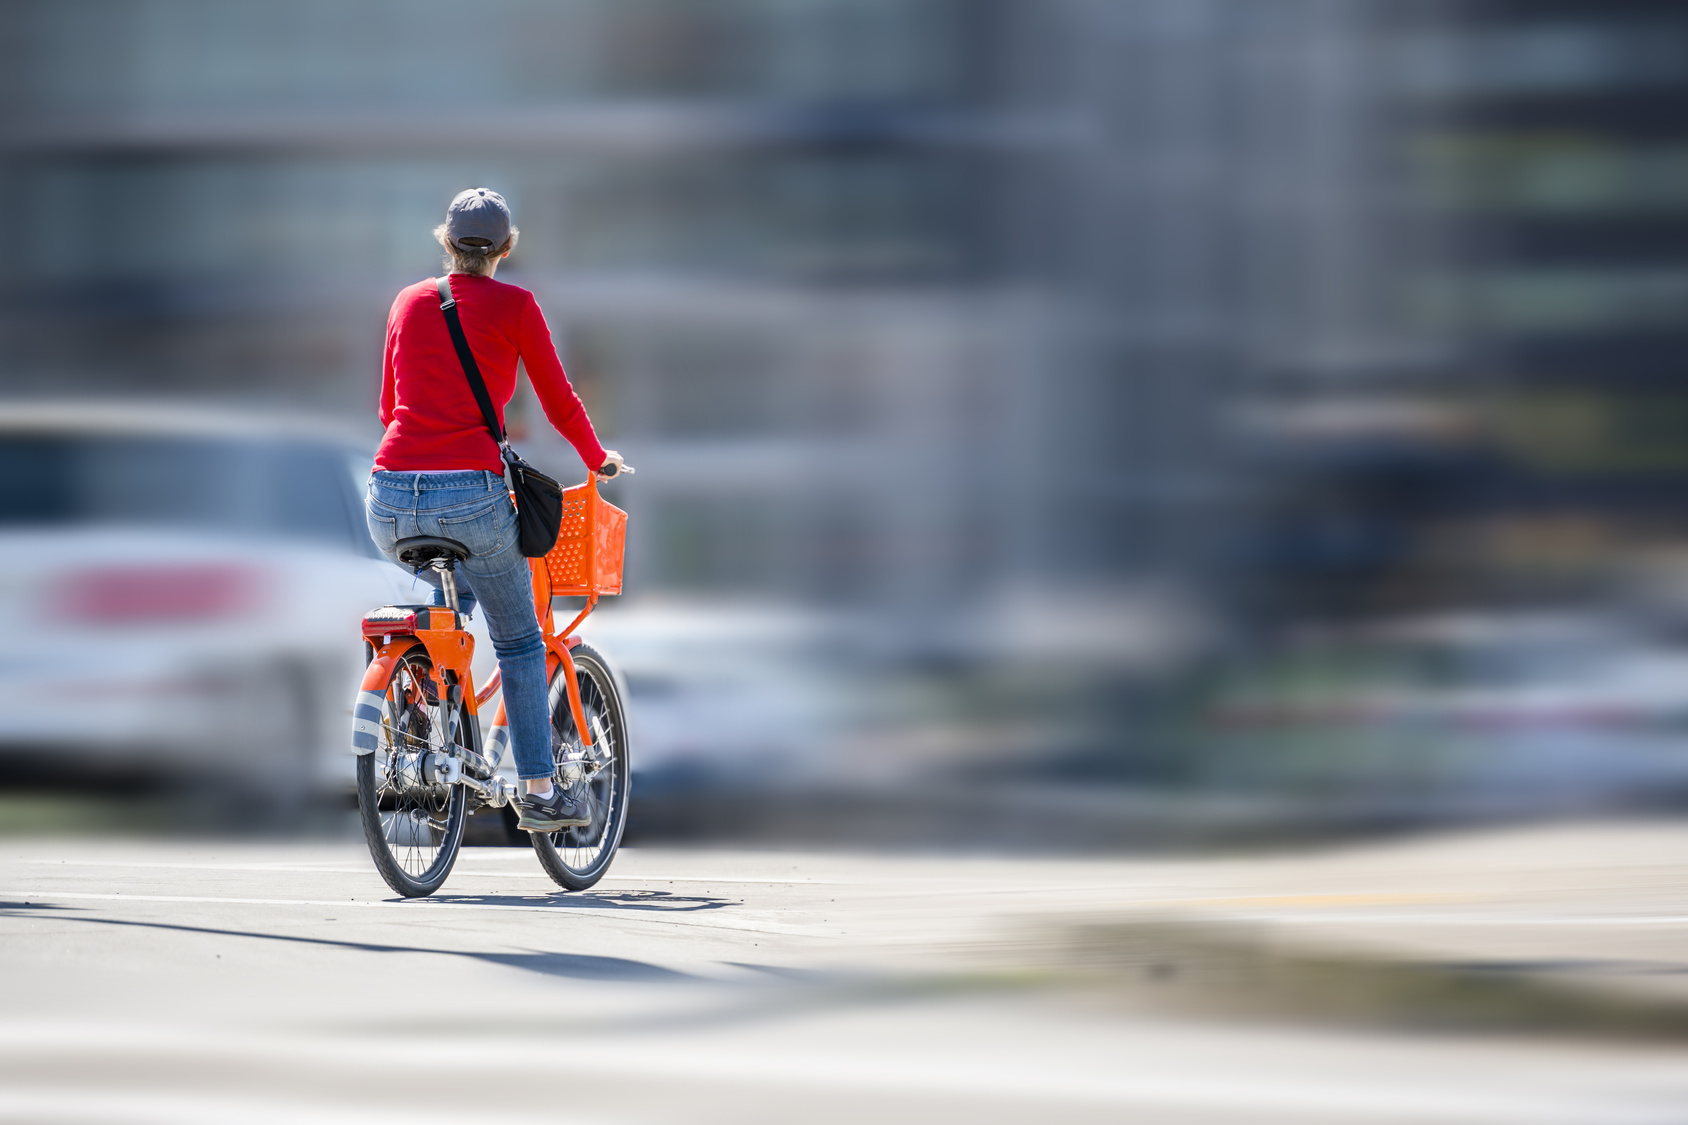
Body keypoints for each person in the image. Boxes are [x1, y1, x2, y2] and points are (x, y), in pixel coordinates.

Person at [367, 187, 624, 832]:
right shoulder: (516, 305)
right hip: (471, 496)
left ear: (445, 242)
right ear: (506, 248)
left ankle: (427, 712)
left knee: (447, 608)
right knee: (518, 641)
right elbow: (559, 400)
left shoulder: (407, 302)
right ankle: (538, 790)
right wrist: (597, 459)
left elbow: (387, 407)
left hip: (390, 496)